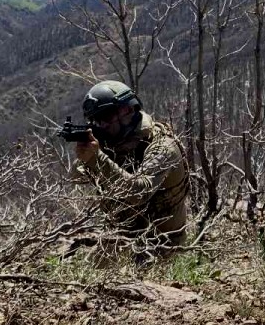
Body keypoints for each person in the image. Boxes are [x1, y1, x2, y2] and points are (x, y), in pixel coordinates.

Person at [70, 80, 189, 255]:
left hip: (162, 245)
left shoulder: (163, 146)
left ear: (128, 110)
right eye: (97, 120)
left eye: (107, 117)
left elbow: (139, 192)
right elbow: (76, 177)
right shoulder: (112, 143)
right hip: (123, 238)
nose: (102, 125)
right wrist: (88, 154)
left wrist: (97, 158)